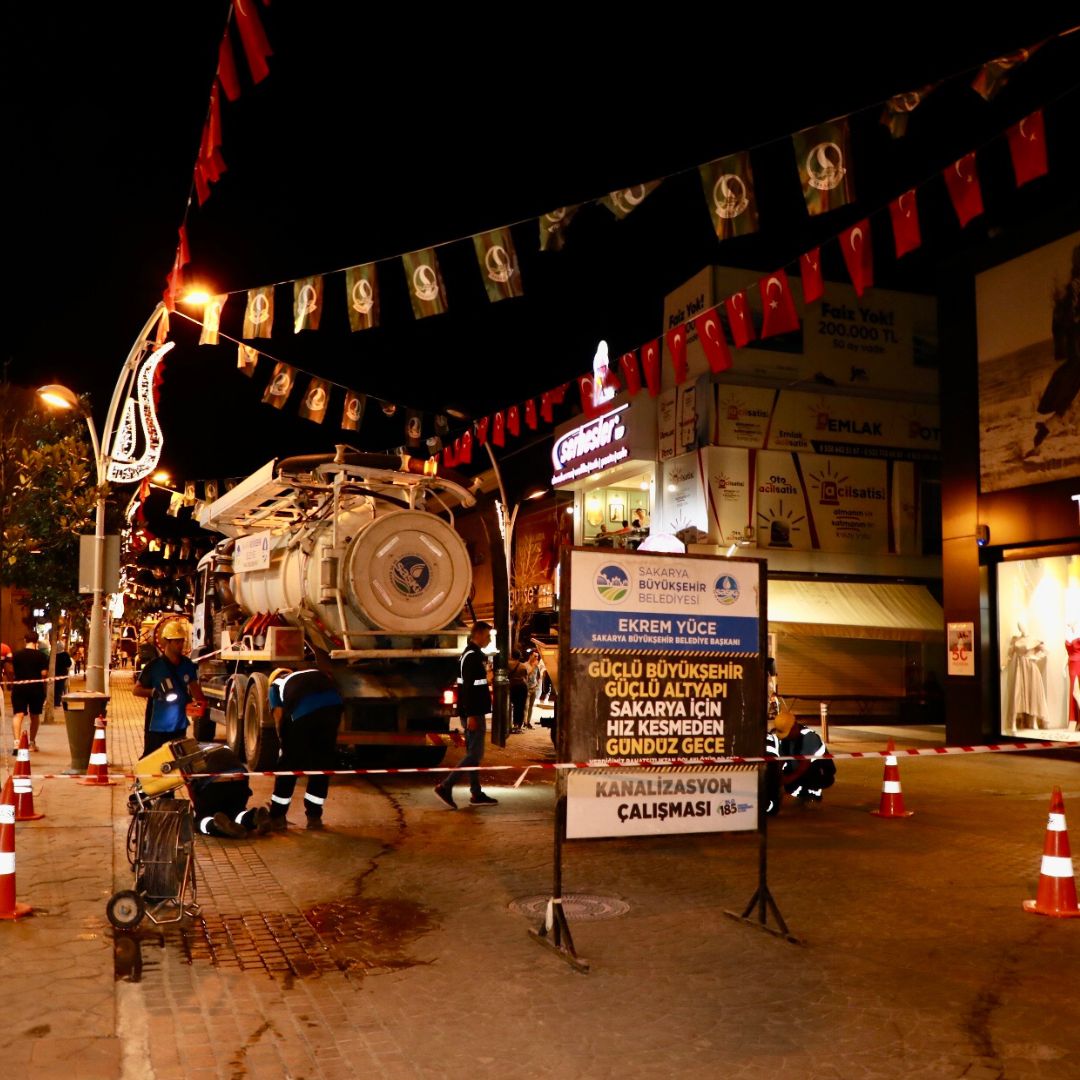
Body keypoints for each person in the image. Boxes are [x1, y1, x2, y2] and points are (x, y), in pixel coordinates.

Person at [265, 666, 343, 830]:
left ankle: (277, 816)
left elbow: (279, 716)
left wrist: (283, 742)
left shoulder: (275, 685)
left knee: (289, 764)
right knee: (322, 762)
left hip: (303, 711)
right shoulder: (313, 672)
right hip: (333, 706)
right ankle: (314, 817)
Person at [434, 621, 498, 809]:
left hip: (473, 711)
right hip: (474, 712)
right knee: (474, 754)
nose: (489, 640)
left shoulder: (470, 654)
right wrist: (471, 715)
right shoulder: (472, 657)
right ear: (477, 635)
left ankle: (476, 793)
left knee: (473, 754)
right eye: (487, 636)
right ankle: (446, 786)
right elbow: (469, 689)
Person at [133, 619, 207, 757]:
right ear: (167, 642)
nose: (180, 645)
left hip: (179, 726)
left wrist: (201, 705)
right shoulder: (154, 666)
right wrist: (153, 692)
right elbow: (136, 690)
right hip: (156, 727)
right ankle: (142, 779)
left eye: (182, 641)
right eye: (177, 641)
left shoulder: (187, 665)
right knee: (152, 760)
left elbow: (194, 688)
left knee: (177, 761)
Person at [187, 745, 271, 838]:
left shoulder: (188, 756)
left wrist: (199, 807)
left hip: (215, 784)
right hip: (240, 781)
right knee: (237, 814)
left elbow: (192, 788)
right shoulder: (216, 746)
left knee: (200, 821)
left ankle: (217, 825)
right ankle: (254, 817)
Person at [765, 707, 836, 814]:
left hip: (819, 772)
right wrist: (776, 778)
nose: (785, 737)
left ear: (794, 727)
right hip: (800, 769)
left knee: (808, 775)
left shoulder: (809, 737)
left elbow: (804, 766)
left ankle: (814, 796)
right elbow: (781, 761)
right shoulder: (786, 740)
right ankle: (802, 794)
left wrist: (786, 780)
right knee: (788, 783)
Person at [7, 631, 49, 752]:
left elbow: (10, 670)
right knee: (34, 716)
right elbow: (44, 673)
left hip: (19, 687)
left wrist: (12, 681)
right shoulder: (41, 656)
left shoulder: (17, 655)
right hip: (36, 688)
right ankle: (31, 743)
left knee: (18, 714)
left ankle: (16, 743)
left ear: (25, 640)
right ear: (37, 641)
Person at [507, 649, 529, 733]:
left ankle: (508, 724)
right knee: (520, 707)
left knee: (509, 706)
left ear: (511, 656)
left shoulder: (507, 664)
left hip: (511, 687)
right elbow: (526, 678)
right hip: (521, 687)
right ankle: (517, 725)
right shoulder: (523, 666)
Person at [523, 648, 541, 729]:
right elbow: (527, 675)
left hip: (534, 688)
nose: (536, 658)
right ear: (530, 656)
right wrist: (533, 667)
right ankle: (524, 722)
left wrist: (537, 684)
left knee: (531, 706)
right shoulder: (525, 665)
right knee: (526, 706)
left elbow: (538, 676)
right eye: (535, 656)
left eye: (537, 657)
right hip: (526, 688)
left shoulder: (537, 667)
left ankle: (528, 722)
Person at [53, 639, 73, 707]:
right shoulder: (65, 654)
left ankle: (56, 701)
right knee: (61, 688)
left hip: (55, 674)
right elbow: (69, 663)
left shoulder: (53, 655)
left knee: (56, 688)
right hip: (63, 674)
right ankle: (58, 702)